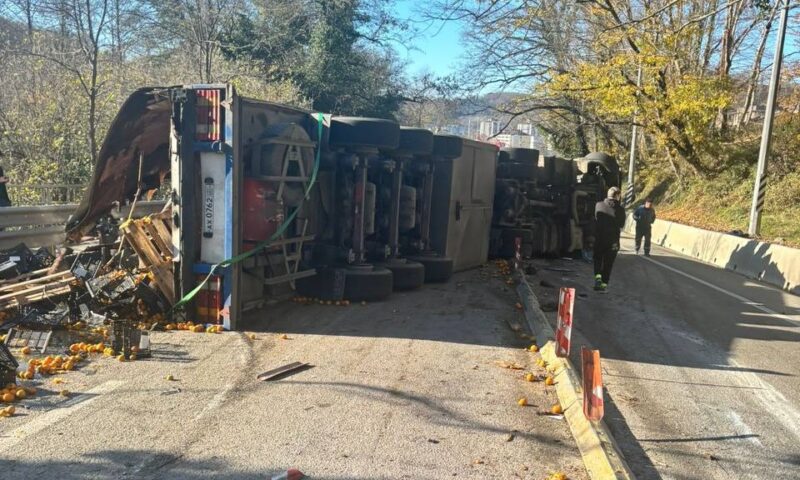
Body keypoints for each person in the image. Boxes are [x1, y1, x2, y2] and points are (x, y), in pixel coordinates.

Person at [593, 186, 625, 292]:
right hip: (613, 241)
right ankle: (603, 285)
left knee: (598, 259)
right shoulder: (620, 210)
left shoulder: (598, 205)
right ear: (617, 196)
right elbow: (621, 224)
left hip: (599, 239)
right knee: (608, 263)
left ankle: (597, 278)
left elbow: (596, 219)